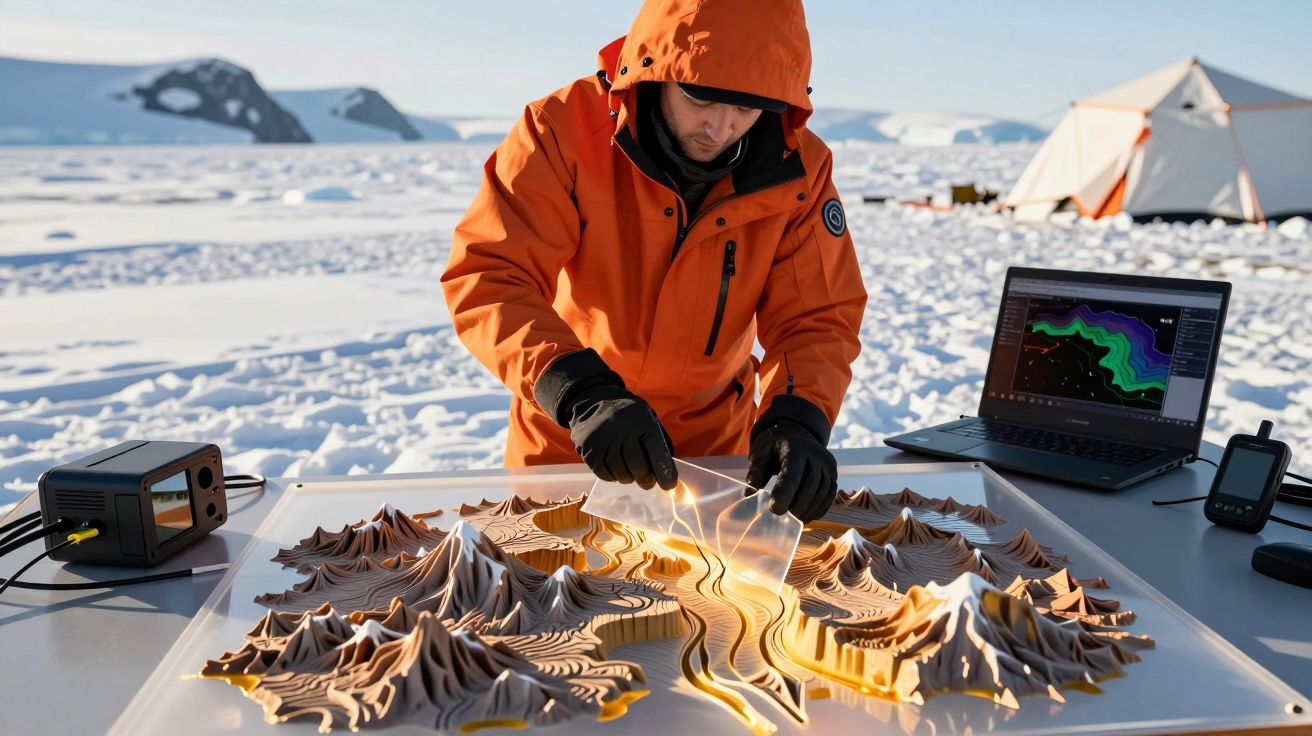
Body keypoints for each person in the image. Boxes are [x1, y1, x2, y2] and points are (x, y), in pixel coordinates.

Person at [441, 0, 867, 522]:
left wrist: (797, 418)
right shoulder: (561, 130)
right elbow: (491, 275)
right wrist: (581, 393)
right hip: (575, 438)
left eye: (748, 107)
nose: (720, 128)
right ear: (655, 69)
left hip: (714, 458)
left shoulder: (800, 169)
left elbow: (817, 316)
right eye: (701, 98)